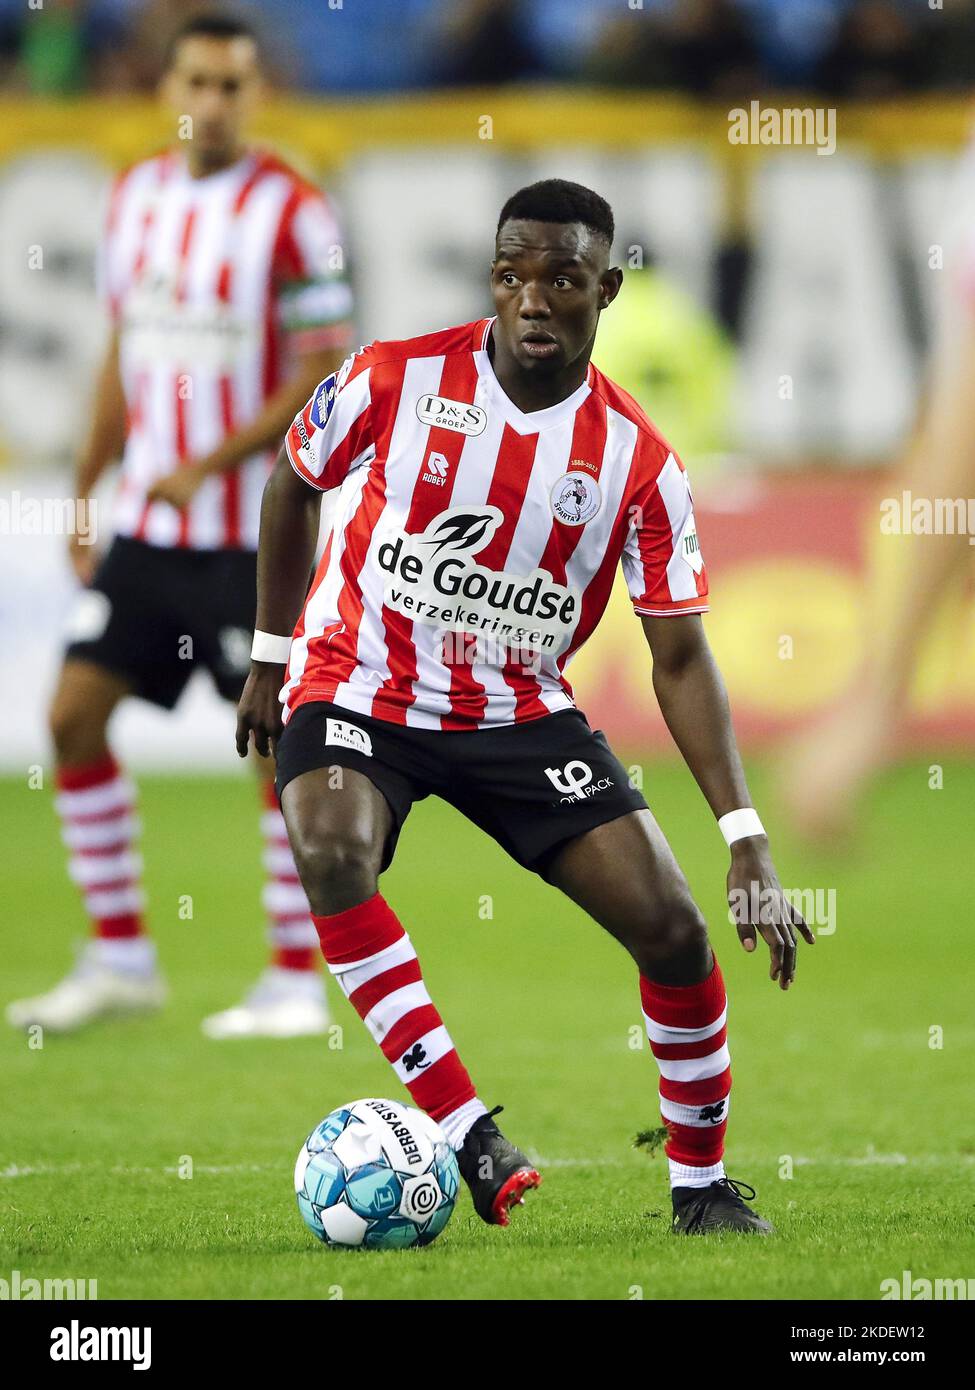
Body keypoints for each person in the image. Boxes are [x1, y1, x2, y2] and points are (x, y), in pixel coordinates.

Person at [237, 179, 811, 1232]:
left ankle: (701, 1190)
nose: (533, 298)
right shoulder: (391, 378)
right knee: (328, 849)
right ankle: (466, 1134)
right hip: (360, 681)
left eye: (562, 278)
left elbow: (678, 657)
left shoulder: (639, 464)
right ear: (492, 279)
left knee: (675, 932)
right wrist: (274, 657)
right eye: (513, 275)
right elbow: (292, 480)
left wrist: (746, 834)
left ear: (609, 289)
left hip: (516, 714)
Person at [7, 12, 353, 1037]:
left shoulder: (296, 211)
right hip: (150, 533)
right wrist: (86, 483)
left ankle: (295, 976)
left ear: (256, 96)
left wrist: (212, 459)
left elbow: (322, 367)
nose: (212, 102)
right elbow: (124, 346)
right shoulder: (136, 198)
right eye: (196, 82)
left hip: (254, 537)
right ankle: (119, 956)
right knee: (72, 715)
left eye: (232, 86)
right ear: (168, 89)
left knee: (276, 746)